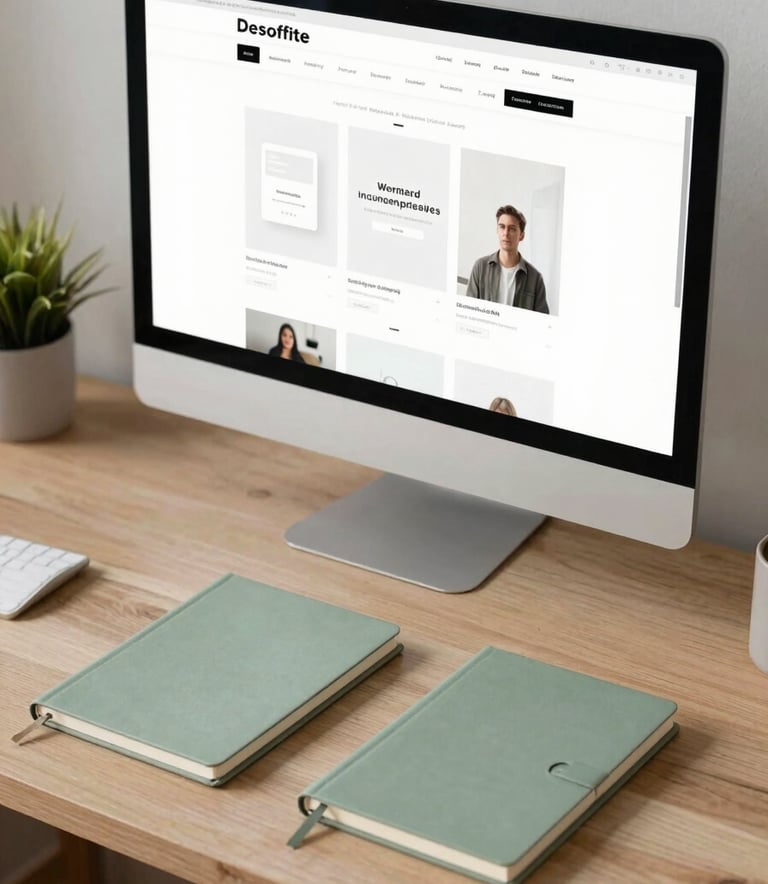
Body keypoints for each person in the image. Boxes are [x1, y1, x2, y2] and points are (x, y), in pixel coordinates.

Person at [465, 205, 549, 312]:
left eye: (512, 229)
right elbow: (467, 311)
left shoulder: (535, 279)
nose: (506, 233)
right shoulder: (480, 267)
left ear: (521, 236)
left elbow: (542, 322)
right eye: (502, 227)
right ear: (497, 230)